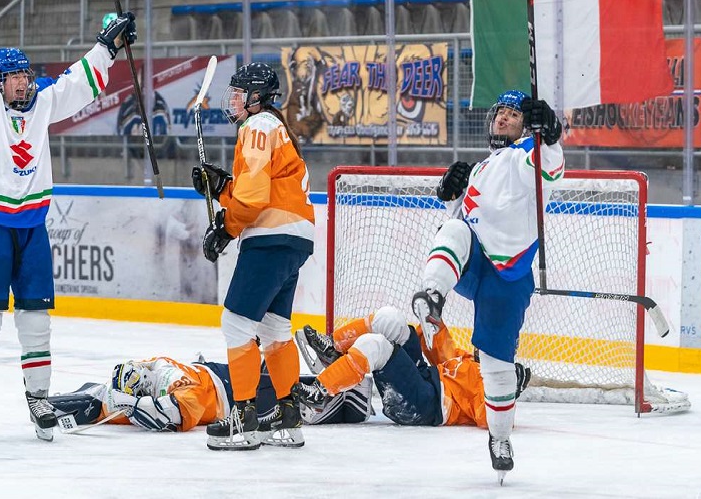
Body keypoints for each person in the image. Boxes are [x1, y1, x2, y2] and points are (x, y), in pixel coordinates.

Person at [0, 1, 137, 443]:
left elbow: (78, 82)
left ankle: (38, 398)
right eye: (14, 76)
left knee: (36, 320)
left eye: (25, 74)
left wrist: (108, 47)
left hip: (32, 228)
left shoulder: (42, 103)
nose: (23, 81)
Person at [407, 89, 563, 482]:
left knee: (496, 367)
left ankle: (500, 438)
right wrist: (448, 196)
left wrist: (553, 135)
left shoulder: (527, 153)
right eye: (501, 112)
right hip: (475, 264)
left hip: (509, 278)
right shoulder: (479, 168)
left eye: (514, 113)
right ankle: (432, 296)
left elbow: (551, 172)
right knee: (455, 227)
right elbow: (455, 223)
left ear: (525, 124)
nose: (505, 118)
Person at [190, 63, 315, 450]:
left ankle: (242, 419)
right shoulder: (274, 126)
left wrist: (226, 228)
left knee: (237, 324)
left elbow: (255, 199)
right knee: (275, 331)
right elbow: (261, 189)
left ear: (256, 97)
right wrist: (222, 187)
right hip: (293, 237)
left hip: (271, 236)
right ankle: (287, 416)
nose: (234, 100)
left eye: (240, 93)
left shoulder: (257, 127)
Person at [293, 304, 531, 430]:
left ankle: (320, 393)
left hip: (425, 404)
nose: (483, 345)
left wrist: (506, 392)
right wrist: (431, 318)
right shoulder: (466, 359)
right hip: (423, 379)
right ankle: (333, 349)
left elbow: (491, 421)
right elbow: (439, 349)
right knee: (390, 318)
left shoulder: (489, 385)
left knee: (375, 345)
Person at [46, 355, 372, 432]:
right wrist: (52, 406)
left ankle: (353, 395)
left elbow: (174, 415)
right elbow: (102, 394)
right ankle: (350, 384)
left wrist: (127, 404)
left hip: (231, 393)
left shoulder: (174, 383)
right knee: (286, 385)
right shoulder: (149, 369)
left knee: (295, 400)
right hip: (223, 377)